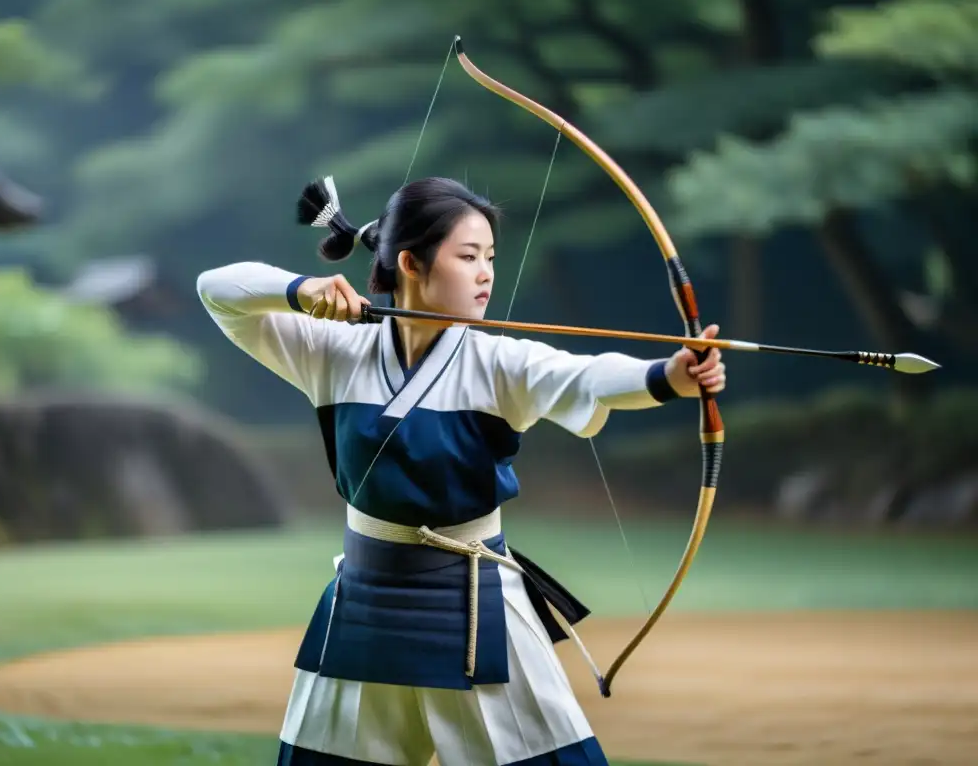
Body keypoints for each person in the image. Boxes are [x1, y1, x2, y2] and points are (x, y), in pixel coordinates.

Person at [196, 175, 726, 766]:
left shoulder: (500, 362)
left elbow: (588, 375)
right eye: (468, 256)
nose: (485, 274)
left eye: (490, 258)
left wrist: (670, 378)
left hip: (475, 604)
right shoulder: (333, 349)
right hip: (367, 597)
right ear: (410, 263)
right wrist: (302, 291)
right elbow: (217, 289)